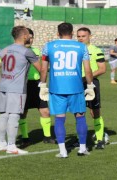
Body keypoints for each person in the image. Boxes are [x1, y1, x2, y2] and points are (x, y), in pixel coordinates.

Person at [40, 22, 95, 158]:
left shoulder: (48, 46)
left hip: (56, 88)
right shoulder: (81, 47)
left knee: (59, 119)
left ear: (58, 33)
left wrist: (42, 85)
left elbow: (43, 68)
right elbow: (87, 70)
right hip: (76, 87)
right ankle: (82, 148)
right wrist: (90, 86)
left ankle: (63, 151)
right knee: (80, 117)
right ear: (72, 33)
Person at [0, 25, 41, 155]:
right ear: (24, 36)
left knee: (3, 115)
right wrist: (44, 83)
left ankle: (2, 144)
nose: (30, 37)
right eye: (28, 35)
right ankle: (12, 146)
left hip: (3, 86)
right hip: (17, 89)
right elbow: (41, 68)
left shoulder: (5, 50)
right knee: (14, 115)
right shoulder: (27, 51)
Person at [18, 28, 55, 147]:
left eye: (32, 37)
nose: (30, 39)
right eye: (28, 36)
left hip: (37, 85)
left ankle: (47, 136)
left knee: (45, 111)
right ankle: (25, 137)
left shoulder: (37, 51)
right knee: (23, 113)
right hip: (22, 85)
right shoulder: (17, 51)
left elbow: (42, 67)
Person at [77, 27, 107, 149]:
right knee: (78, 112)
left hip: (91, 83)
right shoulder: (75, 50)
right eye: (78, 36)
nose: (80, 38)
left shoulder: (96, 50)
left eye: (83, 36)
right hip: (76, 84)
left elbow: (102, 69)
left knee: (94, 111)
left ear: (90, 36)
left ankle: (100, 139)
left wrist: (86, 77)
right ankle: (81, 140)